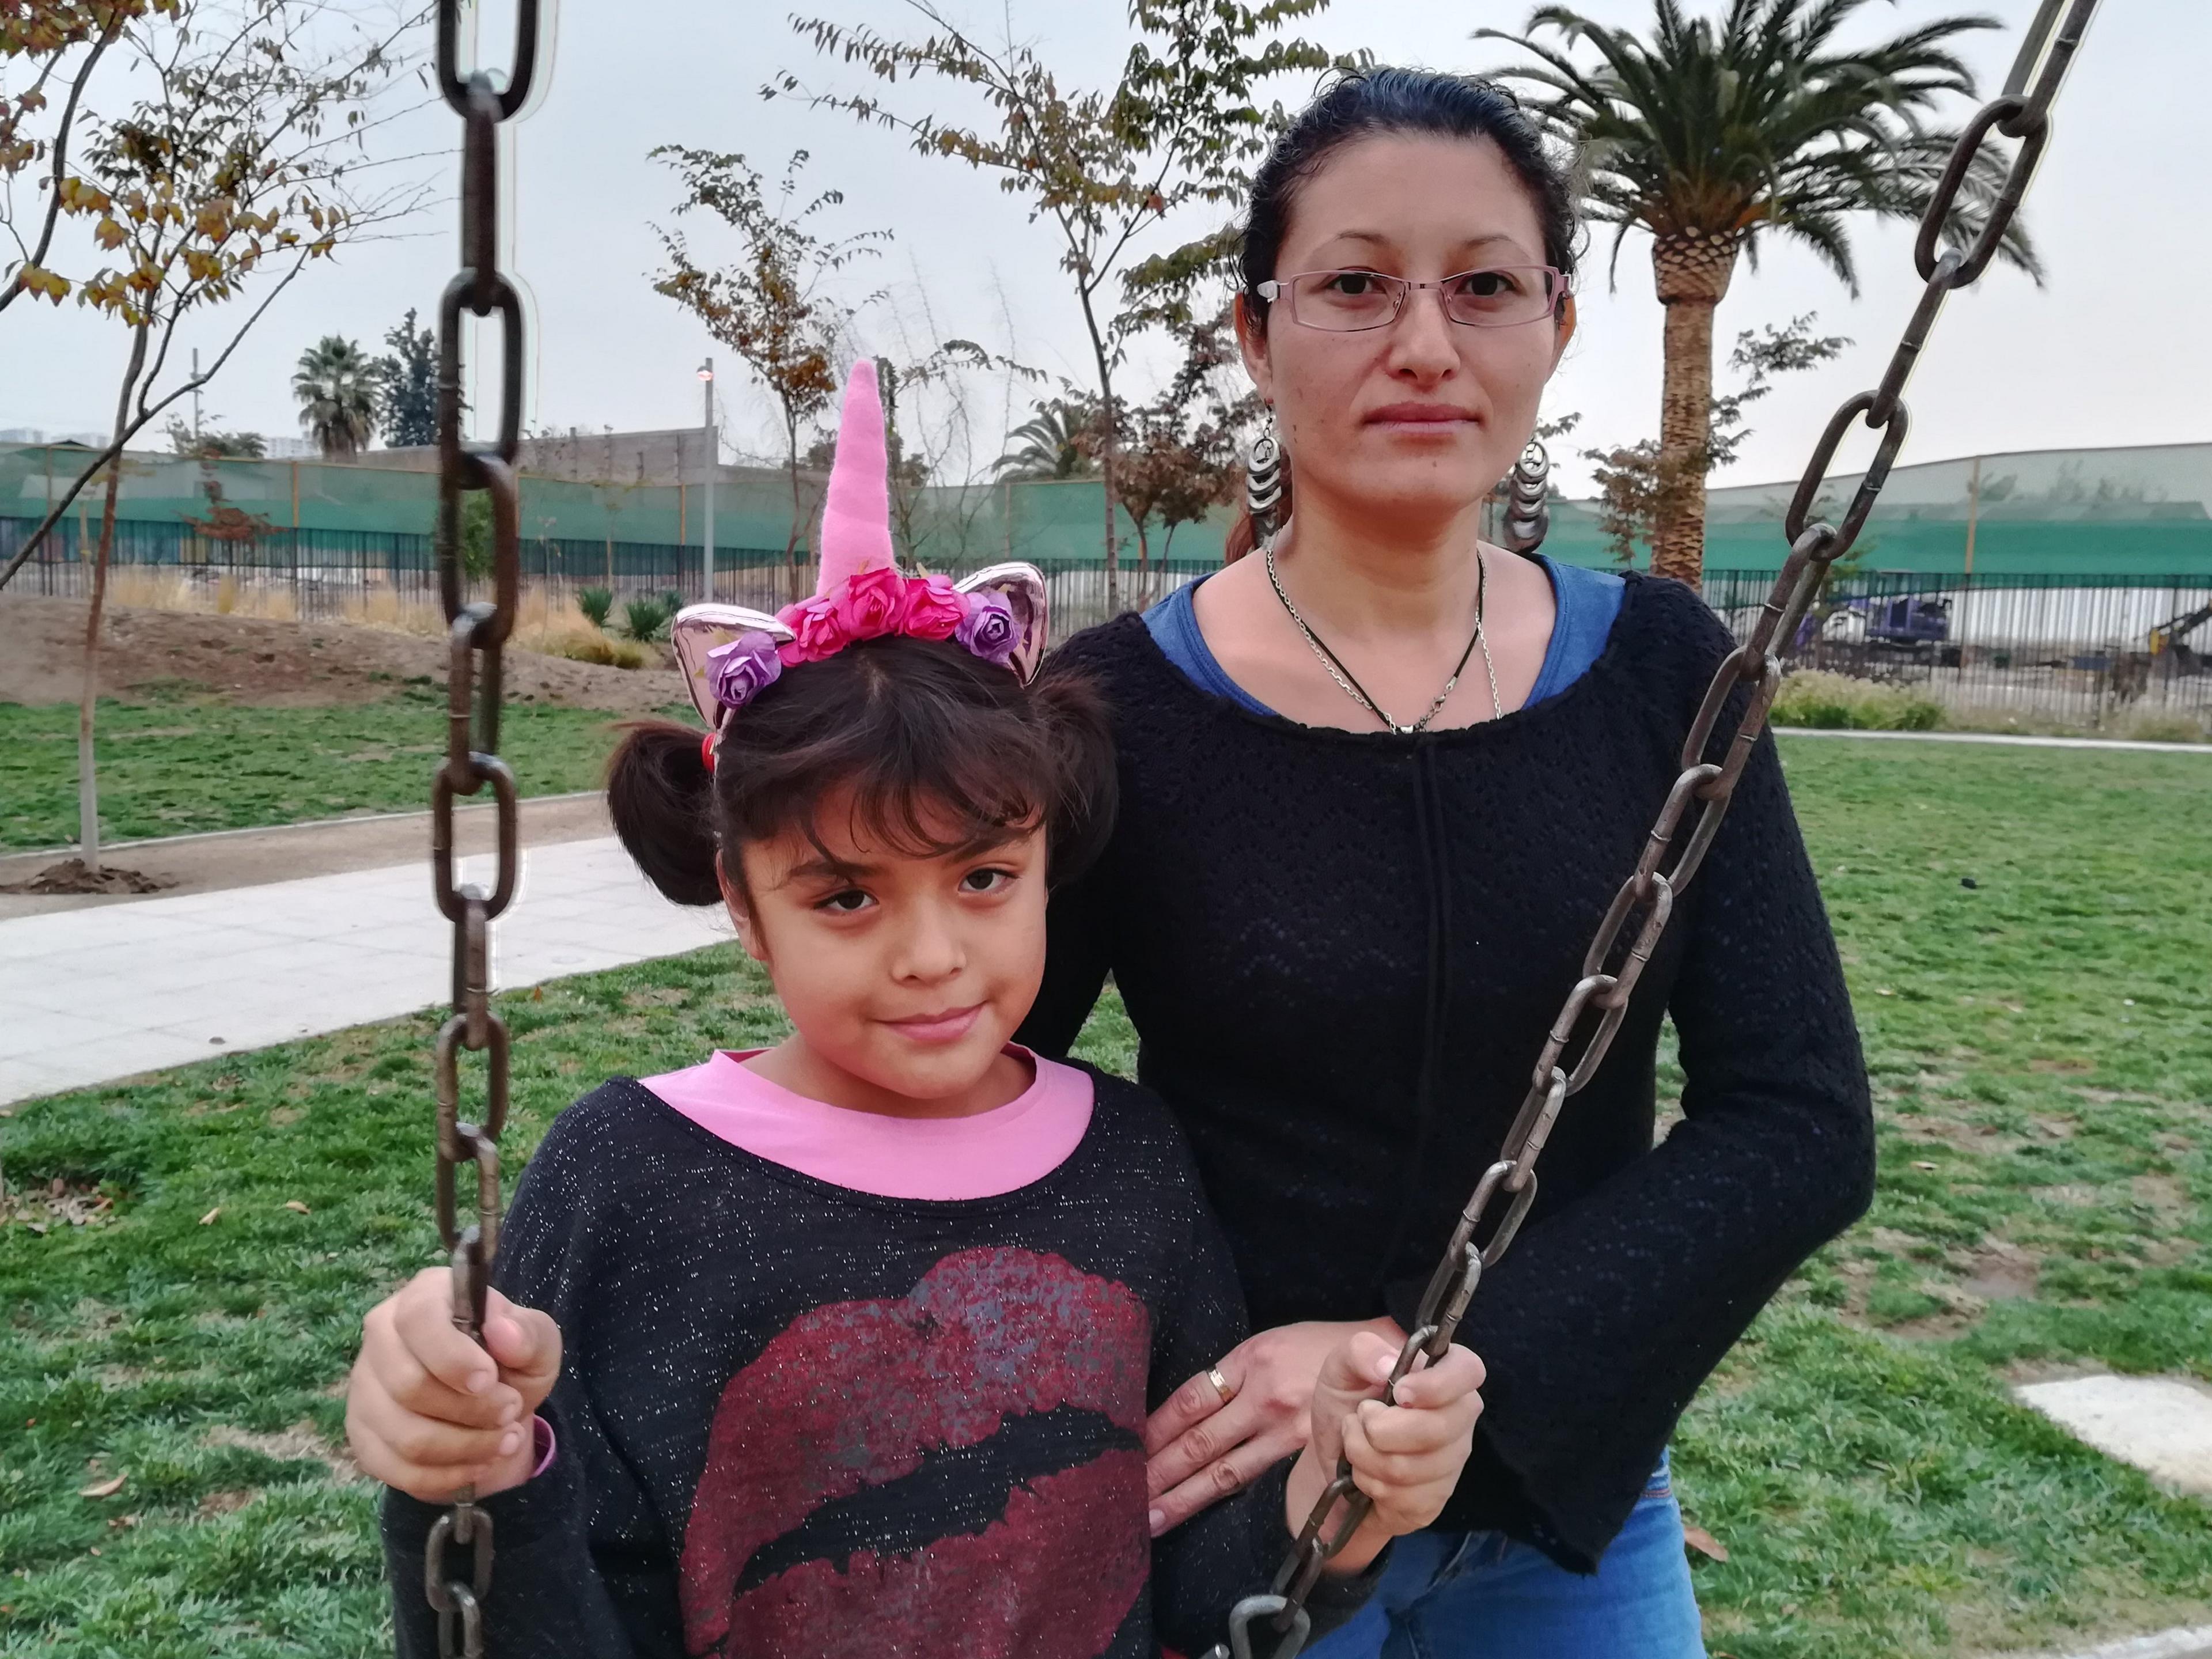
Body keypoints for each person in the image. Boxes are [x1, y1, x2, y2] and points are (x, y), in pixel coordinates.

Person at [344, 361, 1487, 1659]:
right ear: (741, 902)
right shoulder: (625, 1180)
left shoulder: (1128, 1162)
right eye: (845, 897)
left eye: (986, 878)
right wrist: (469, 1463)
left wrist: (1335, 1498)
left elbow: (1184, 1562)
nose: (933, 956)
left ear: (1052, 857)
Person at [1017, 68, 1876, 1659]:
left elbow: (1801, 1124)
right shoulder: (1114, 708)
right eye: (1356, 285)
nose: (1425, 343)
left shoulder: (1669, 677)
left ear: (1554, 323)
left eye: (1484, 286)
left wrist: (1422, 1354)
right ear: (1255, 335)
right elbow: (979, 1088)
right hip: (1241, 1497)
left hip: (1564, 1499)